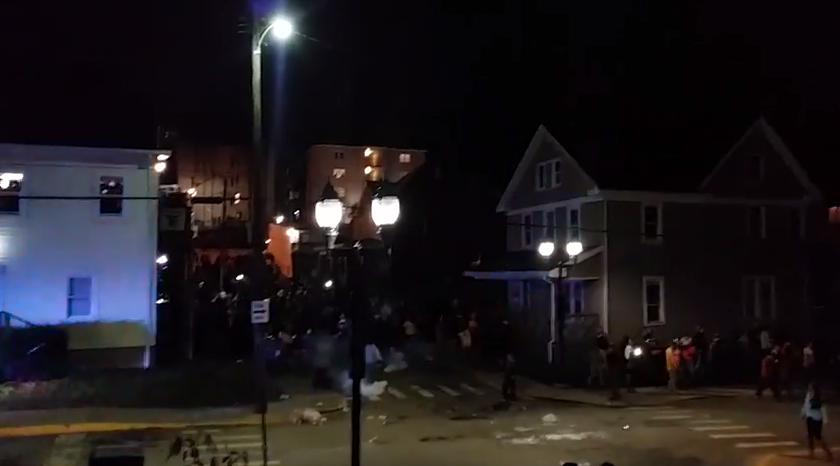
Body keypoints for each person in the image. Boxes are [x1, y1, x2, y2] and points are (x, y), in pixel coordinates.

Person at [802, 383, 833, 461]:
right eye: (809, 388)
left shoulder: (818, 398)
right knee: (810, 436)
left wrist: (825, 420)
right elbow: (805, 405)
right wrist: (803, 413)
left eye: (811, 388)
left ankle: (828, 452)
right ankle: (811, 453)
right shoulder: (808, 395)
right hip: (809, 418)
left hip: (817, 419)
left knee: (818, 437)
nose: (809, 390)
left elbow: (823, 410)